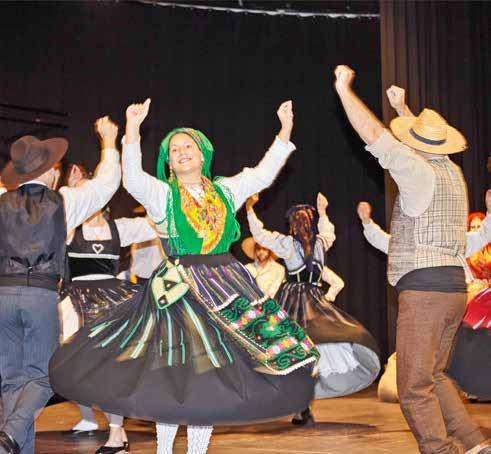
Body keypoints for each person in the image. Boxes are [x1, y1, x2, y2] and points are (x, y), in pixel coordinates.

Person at [49, 99, 319, 454]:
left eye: (187, 146)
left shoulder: (226, 190)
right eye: (174, 150)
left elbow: (262, 174)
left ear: (203, 154)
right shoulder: (163, 195)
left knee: (208, 377)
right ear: (170, 161)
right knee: (175, 375)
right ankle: (164, 450)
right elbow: (133, 179)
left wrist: (284, 132)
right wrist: (132, 131)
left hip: (225, 284)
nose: (181, 153)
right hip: (177, 288)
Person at [334, 64, 490, 454]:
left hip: (426, 292)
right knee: (434, 376)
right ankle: (475, 443)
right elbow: (423, 142)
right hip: (453, 290)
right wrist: (403, 110)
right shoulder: (453, 173)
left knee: (413, 387)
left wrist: (344, 90)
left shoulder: (416, 172)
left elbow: (373, 134)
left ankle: (440, 451)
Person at [0, 116, 121, 454]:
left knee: (11, 380)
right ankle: (9, 434)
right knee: (44, 376)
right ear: (52, 170)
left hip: (3, 295)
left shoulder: (1, 201)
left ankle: (10, 445)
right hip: (40, 295)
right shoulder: (64, 200)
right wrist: (109, 143)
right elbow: (107, 183)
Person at [246, 191, 380, 425]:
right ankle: (301, 402)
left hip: (295, 301)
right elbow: (329, 233)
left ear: (292, 226)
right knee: (308, 345)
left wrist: (249, 209)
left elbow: (260, 234)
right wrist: (323, 212)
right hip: (314, 299)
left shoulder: (289, 244)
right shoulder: (320, 243)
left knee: (295, 347)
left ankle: (301, 403)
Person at [59, 157, 160, 454]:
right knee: (73, 365)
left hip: (113, 301)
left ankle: (117, 432)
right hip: (77, 302)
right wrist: (72, 190)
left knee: (111, 367)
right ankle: (89, 418)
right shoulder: (69, 228)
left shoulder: (120, 229)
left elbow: (156, 224)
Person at [242, 235, 285, 299]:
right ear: (255, 250)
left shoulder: (279, 269)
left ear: (269, 251)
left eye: (264, 249)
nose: (261, 252)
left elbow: (276, 291)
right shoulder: (247, 268)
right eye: (258, 249)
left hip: (271, 303)